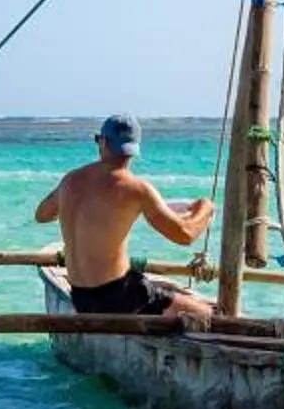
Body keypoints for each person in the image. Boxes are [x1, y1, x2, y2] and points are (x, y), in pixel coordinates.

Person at [36, 116, 215, 320]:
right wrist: (205, 208)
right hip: (120, 297)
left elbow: (42, 215)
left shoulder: (70, 181)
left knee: (160, 287)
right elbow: (185, 234)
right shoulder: (137, 189)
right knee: (208, 314)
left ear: (103, 142)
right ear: (134, 150)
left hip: (81, 296)